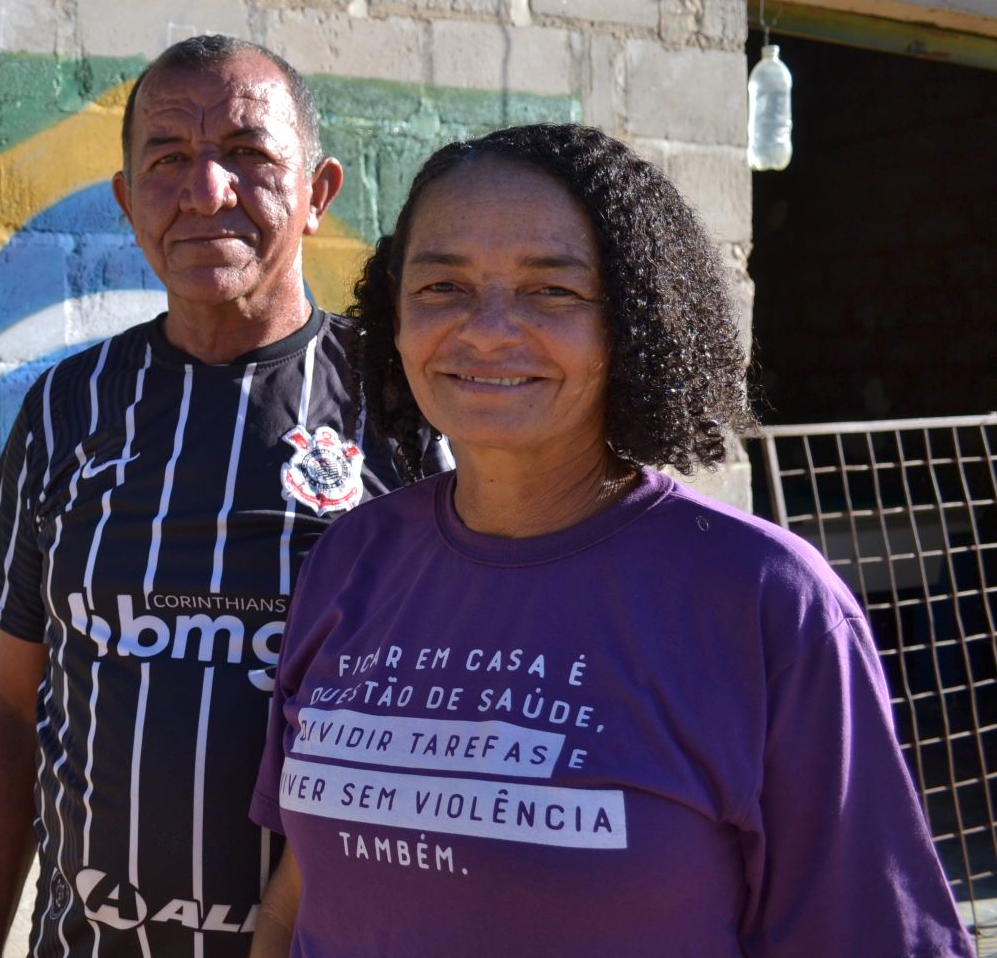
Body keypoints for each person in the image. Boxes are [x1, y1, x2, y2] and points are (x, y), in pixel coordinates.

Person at [248, 123, 974, 956]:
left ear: (631, 322)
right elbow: (301, 891)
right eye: (442, 285)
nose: (485, 329)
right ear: (394, 312)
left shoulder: (765, 603)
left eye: (551, 291)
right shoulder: (354, 560)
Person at [0, 36, 434, 958]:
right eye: (168, 159)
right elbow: (7, 706)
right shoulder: (68, 407)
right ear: (130, 202)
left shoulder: (406, 406)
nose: (206, 191)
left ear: (318, 194)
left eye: (250, 156)